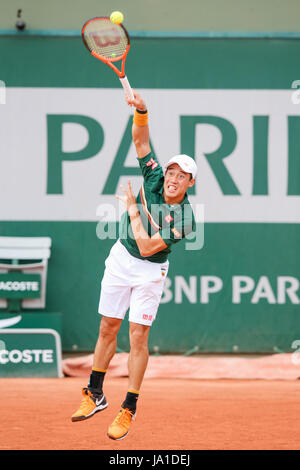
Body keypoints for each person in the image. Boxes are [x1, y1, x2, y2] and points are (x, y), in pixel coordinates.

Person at [71, 90, 197, 440]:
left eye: (181, 176)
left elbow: (145, 247)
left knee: (137, 336)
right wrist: (142, 110)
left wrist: (129, 207)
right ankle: (94, 393)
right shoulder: (154, 176)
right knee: (107, 327)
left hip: (148, 270)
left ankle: (129, 407)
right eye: (171, 172)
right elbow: (141, 140)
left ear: (190, 183)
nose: (172, 178)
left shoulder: (185, 219)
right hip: (119, 260)